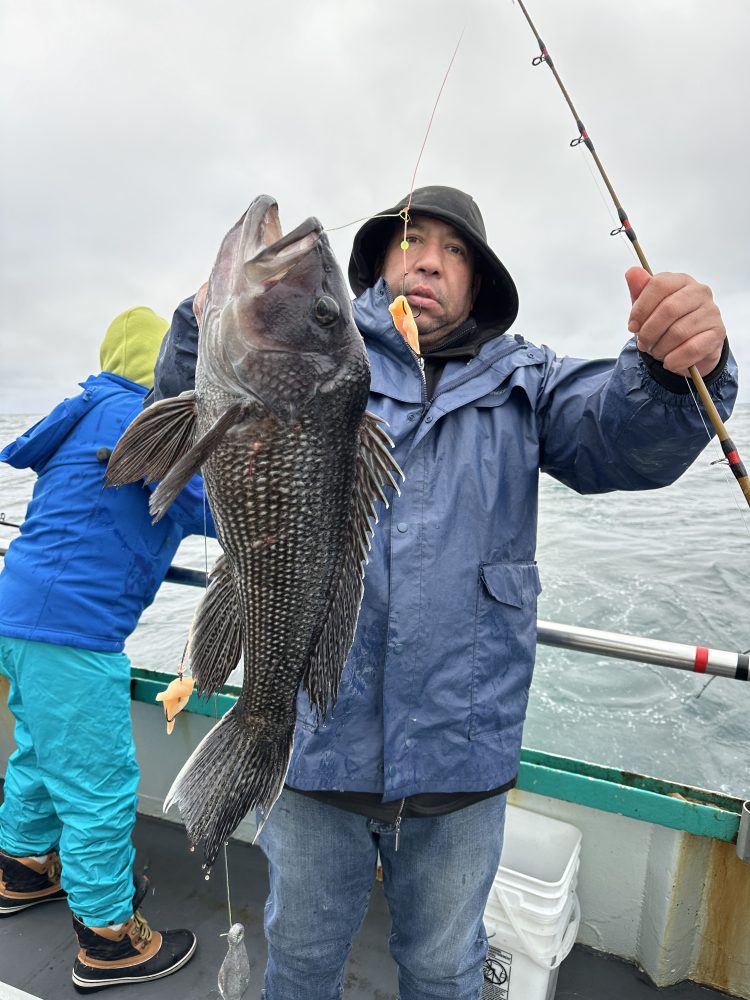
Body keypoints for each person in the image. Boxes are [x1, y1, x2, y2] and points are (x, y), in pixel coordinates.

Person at [149, 185, 736, 1000]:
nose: (429, 258)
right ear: (378, 263)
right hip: (317, 752)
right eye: (411, 240)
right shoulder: (317, 357)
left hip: (461, 764)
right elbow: (180, 408)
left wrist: (675, 377)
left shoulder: (527, 382)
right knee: (302, 958)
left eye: (454, 249)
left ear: (478, 280)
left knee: (445, 967)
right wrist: (200, 322)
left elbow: (624, 441)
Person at [0, 306, 217, 994]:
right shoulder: (158, 428)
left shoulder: (85, 414)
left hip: (17, 614)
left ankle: (22, 866)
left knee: (37, 749)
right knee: (98, 782)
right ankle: (108, 937)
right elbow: (219, 511)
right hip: (74, 635)